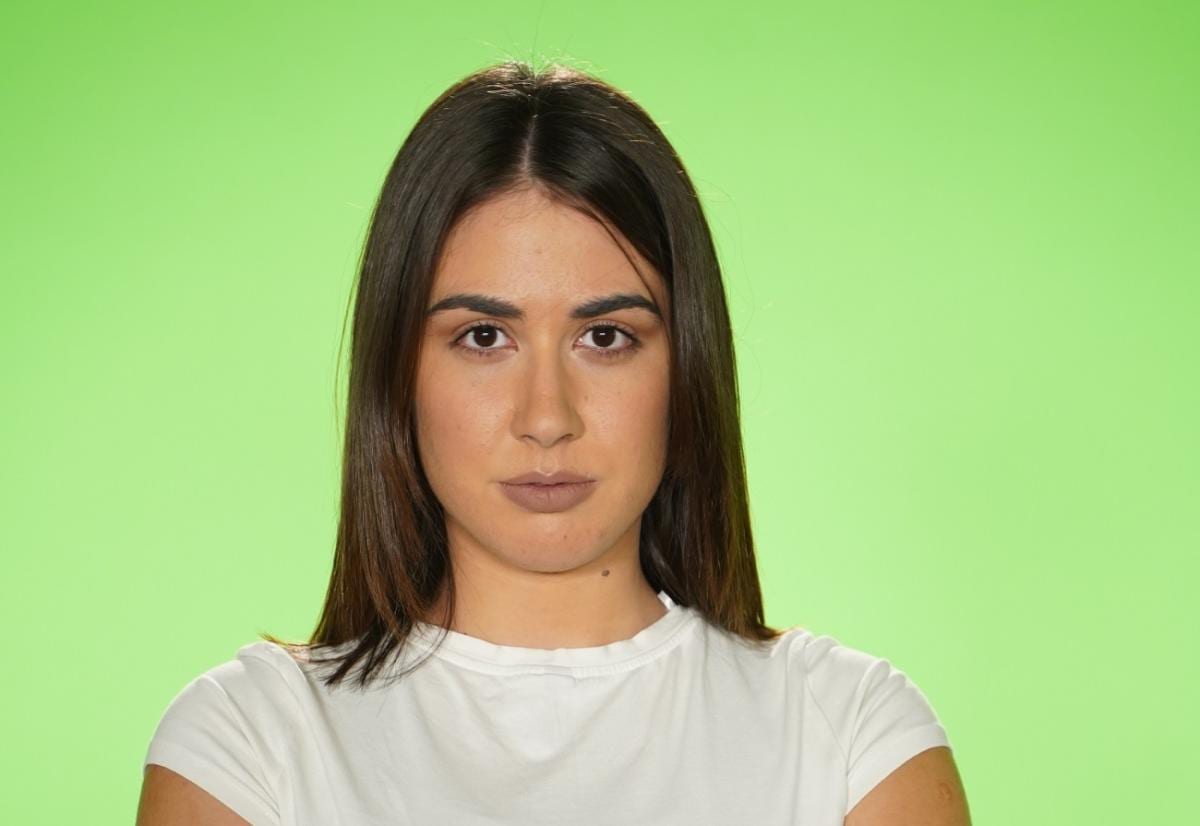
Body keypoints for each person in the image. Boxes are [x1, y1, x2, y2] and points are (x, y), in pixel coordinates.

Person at [136, 60, 971, 825]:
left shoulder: (854, 739)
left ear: (687, 367)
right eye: (483, 338)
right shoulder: (244, 748)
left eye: (604, 337)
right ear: (398, 372)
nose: (546, 418)